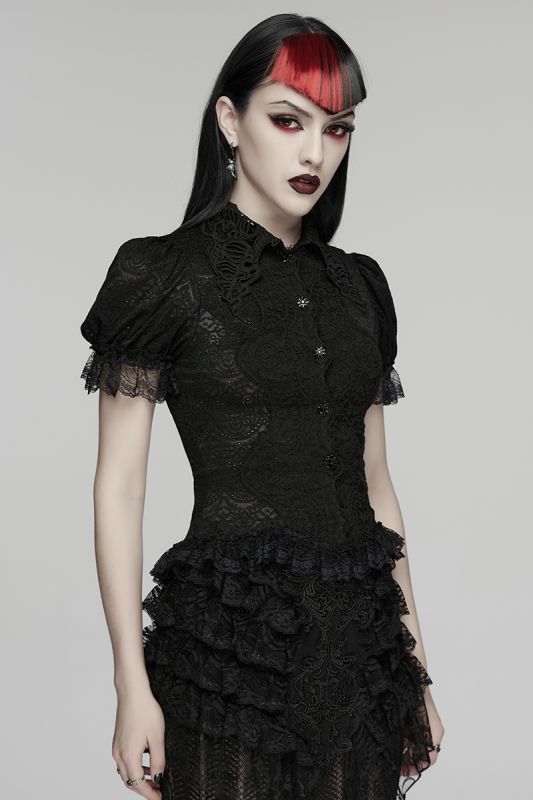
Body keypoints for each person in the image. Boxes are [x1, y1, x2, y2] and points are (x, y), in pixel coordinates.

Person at [80, 13, 444, 800]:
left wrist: (415, 670)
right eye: (288, 120)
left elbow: (376, 485)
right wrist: (130, 685)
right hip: (227, 662)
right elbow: (119, 487)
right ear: (228, 120)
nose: (315, 153)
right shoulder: (160, 276)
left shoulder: (359, 288)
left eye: (336, 129)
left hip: (361, 661)